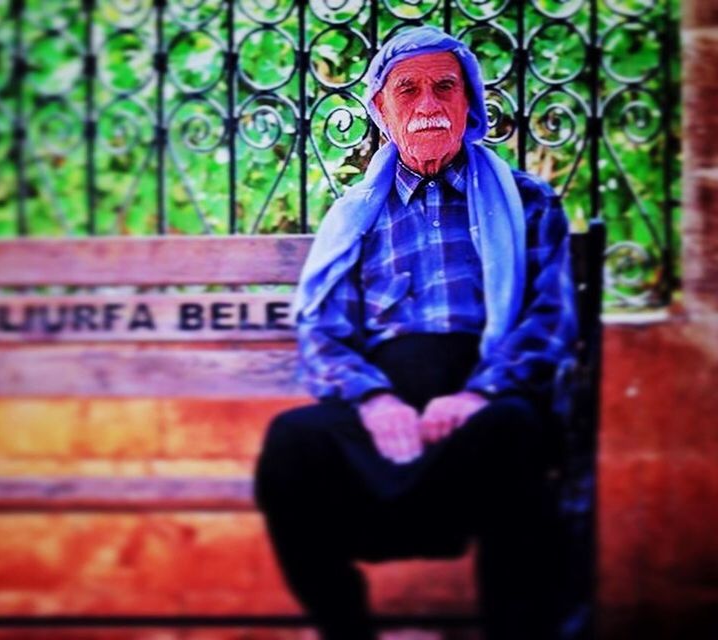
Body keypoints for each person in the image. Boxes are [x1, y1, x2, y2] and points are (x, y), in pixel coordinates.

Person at [254, 26, 578, 640]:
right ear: (381, 111)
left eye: (444, 88)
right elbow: (321, 328)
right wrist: (374, 401)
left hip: (484, 402)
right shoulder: (355, 216)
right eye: (407, 91)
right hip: (384, 405)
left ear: (470, 103)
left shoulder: (529, 203)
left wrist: (477, 395)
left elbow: (549, 319)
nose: (428, 106)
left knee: (514, 431)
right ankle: (347, 633)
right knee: (291, 443)